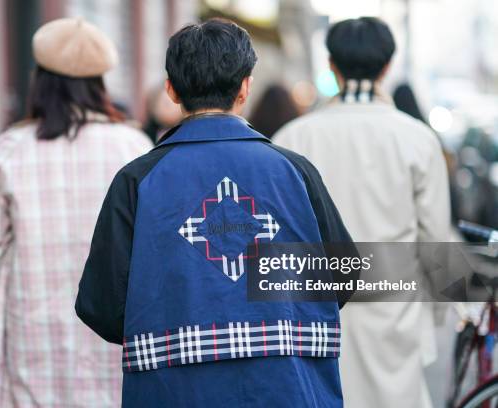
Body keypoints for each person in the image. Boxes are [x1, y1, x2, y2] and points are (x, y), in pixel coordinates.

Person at [76, 18, 357, 407]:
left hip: (171, 392)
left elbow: (100, 306)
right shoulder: (294, 173)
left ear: (172, 90)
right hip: (287, 389)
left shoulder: (137, 181)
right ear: (245, 87)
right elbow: (344, 278)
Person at [0, 18, 153, 407]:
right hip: (111, 326)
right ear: (100, 82)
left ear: (40, 80)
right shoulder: (133, 145)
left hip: (33, 325)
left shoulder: (11, 147)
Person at [274, 17, 451, 408]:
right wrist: (440, 314)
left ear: (331, 65)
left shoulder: (293, 137)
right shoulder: (417, 138)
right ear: (387, 67)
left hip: (314, 301)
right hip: (394, 299)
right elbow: (435, 238)